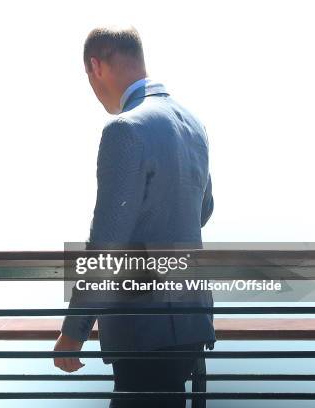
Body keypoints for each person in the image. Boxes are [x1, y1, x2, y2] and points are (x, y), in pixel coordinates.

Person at [54, 27, 215, 408]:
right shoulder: (191, 122)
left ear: (95, 66)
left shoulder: (125, 129)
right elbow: (203, 208)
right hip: (192, 318)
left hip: (144, 326)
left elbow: (107, 242)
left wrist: (74, 330)